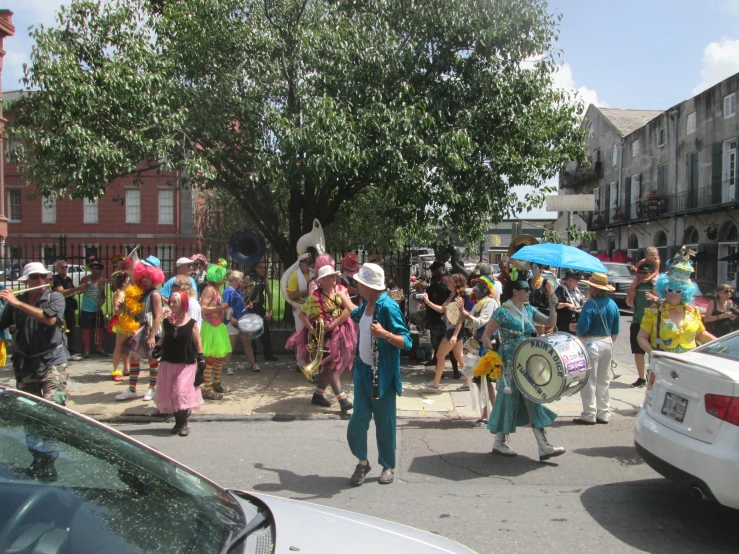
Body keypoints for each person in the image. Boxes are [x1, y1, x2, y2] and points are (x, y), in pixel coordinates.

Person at [336, 263, 411, 486]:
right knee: (358, 420)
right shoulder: (367, 303)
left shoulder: (388, 308)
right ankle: (363, 462)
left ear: (369, 286)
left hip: (383, 374)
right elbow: (357, 315)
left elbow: (406, 341)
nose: (356, 285)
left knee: (384, 422)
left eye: (359, 282)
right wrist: (343, 297)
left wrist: (385, 334)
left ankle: (387, 465)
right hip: (362, 371)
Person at [480, 277, 563, 460]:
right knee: (507, 397)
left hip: (527, 359)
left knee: (532, 397)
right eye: (525, 289)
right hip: (508, 360)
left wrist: (553, 305)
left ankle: (543, 446)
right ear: (515, 291)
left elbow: (550, 322)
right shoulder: (503, 311)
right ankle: (500, 442)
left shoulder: (529, 309)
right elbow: (486, 336)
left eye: (528, 289)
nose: (528, 292)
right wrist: (492, 356)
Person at [286, 254, 357, 413]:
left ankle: (318, 394)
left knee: (330, 367)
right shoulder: (315, 296)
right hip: (325, 336)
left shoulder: (341, 290)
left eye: (334, 276)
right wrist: (311, 328)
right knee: (332, 367)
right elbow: (302, 315)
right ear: (322, 280)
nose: (334, 279)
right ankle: (342, 399)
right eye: (330, 277)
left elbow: (347, 310)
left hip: (342, 332)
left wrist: (333, 324)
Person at [0, 262, 68, 404]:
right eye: (34, 277)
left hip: (52, 360)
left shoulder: (55, 298)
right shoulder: (17, 301)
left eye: (43, 276)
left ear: (49, 280)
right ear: (26, 281)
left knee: (54, 408)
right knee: (29, 410)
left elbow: (49, 319)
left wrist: (17, 304)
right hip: (26, 363)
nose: (39, 280)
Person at [637, 253, 715, 356]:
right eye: (670, 290)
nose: (674, 293)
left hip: (688, 363)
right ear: (664, 289)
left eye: (678, 291)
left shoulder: (693, 312)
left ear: (684, 292)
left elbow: (700, 334)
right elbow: (641, 337)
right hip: (663, 363)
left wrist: (721, 344)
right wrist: (652, 353)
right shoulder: (653, 312)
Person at [152, 291, 206, 436]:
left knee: (180, 392)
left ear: (183, 304)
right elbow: (163, 338)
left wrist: (201, 358)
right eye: (171, 301)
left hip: (186, 363)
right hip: (169, 361)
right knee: (171, 393)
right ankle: (178, 423)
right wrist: (157, 348)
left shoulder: (191, 323)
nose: (172, 304)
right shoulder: (166, 322)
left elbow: (197, 342)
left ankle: (184, 424)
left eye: (175, 301)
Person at [572, 273, 621, 426]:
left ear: (593, 288)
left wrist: (574, 327)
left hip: (591, 342)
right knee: (604, 380)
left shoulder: (590, 304)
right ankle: (603, 413)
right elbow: (616, 330)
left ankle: (589, 414)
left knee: (589, 380)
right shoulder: (612, 304)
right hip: (607, 341)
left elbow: (583, 328)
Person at [116, 256, 165, 401]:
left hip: (149, 331)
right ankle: (132, 389)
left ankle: (152, 389)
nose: (144, 280)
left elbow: (158, 317)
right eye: (142, 276)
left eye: (147, 277)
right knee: (134, 360)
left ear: (154, 278)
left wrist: (152, 336)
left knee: (152, 360)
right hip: (136, 330)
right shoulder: (138, 293)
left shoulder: (155, 294)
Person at [462, 276, 499, 426]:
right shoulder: (479, 304)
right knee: (478, 381)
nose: (475, 289)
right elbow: (470, 324)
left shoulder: (489, 302)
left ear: (485, 289)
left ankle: (493, 414)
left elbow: (482, 321)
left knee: (487, 381)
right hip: (478, 346)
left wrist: (467, 316)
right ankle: (485, 413)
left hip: (487, 346)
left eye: (478, 286)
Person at [422, 273, 468, 390]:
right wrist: (427, 302)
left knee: (440, 355)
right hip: (453, 330)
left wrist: (454, 335)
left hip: (453, 331)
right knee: (459, 356)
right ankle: (468, 383)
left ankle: (435, 383)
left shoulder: (457, 298)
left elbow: (460, 319)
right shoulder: (451, 296)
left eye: (450, 281)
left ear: (455, 284)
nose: (447, 282)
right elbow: (441, 309)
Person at [199, 259, 233, 400]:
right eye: (224, 276)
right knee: (210, 358)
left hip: (218, 326)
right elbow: (203, 308)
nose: (225, 279)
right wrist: (219, 308)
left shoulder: (217, 289)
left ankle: (216, 383)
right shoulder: (209, 289)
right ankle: (207, 388)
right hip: (210, 327)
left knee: (220, 356)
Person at [422, 262, 458, 375]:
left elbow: (427, 305)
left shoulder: (434, 288)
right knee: (446, 348)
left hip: (438, 320)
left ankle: (442, 372)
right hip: (443, 321)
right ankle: (453, 371)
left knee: (440, 348)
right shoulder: (445, 288)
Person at [625, 266, 656, 388]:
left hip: (652, 323)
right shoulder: (635, 285)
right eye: (640, 273)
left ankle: (653, 379)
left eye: (645, 272)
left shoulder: (654, 285)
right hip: (637, 321)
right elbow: (628, 302)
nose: (642, 275)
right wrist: (633, 288)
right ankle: (641, 378)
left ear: (650, 273)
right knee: (638, 352)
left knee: (653, 352)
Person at [222, 270, 258, 374]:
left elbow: (242, 302)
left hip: (242, 320)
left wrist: (248, 305)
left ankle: (253, 363)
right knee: (230, 345)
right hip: (232, 321)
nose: (242, 280)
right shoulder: (228, 291)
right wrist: (231, 318)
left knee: (247, 343)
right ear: (236, 279)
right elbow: (225, 306)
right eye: (241, 278)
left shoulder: (238, 290)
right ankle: (228, 366)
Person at [52, 258, 85, 361]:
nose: (65, 269)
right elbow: (61, 292)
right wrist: (77, 289)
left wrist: (81, 289)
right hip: (60, 307)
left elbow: (73, 291)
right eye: (62, 267)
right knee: (61, 329)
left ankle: (71, 351)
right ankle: (62, 351)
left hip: (69, 306)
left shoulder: (68, 279)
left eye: (66, 267)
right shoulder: (56, 279)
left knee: (71, 328)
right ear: (57, 268)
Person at [246, 259, 278, 362]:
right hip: (250, 307)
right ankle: (253, 356)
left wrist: (270, 311)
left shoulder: (264, 280)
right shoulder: (248, 278)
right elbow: (241, 292)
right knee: (251, 333)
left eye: (264, 267)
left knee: (265, 332)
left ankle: (268, 354)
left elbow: (269, 295)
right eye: (260, 267)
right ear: (255, 268)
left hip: (260, 307)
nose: (262, 269)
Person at [79, 255, 108, 357]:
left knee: (100, 329)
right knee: (86, 329)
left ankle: (99, 348)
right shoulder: (85, 279)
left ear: (100, 270)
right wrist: (83, 287)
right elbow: (79, 291)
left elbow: (103, 296)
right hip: (86, 308)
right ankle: (86, 349)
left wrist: (102, 301)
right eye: (93, 268)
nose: (94, 270)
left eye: (97, 268)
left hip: (97, 309)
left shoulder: (102, 281)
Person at [109, 272, 131, 382]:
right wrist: (127, 307)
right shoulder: (119, 294)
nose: (130, 283)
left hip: (128, 321)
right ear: (122, 283)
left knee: (126, 346)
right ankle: (116, 370)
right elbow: (117, 310)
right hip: (121, 322)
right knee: (119, 346)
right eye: (128, 282)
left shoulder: (127, 293)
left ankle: (127, 368)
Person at [286, 253, 314, 335]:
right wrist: (306, 292)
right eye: (307, 263)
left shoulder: (313, 274)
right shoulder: (295, 276)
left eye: (311, 263)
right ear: (301, 263)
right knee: (301, 336)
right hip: (300, 310)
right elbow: (290, 295)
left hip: (312, 310)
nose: (309, 266)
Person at [528, 264, 554, 336]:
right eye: (532, 267)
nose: (533, 269)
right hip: (530, 313)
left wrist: (552, 316)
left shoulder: (546, 283)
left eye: (535, 267)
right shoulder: (529, 281)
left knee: (540, 337)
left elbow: (551, 299)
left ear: (540, 269)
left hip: (542, 313)